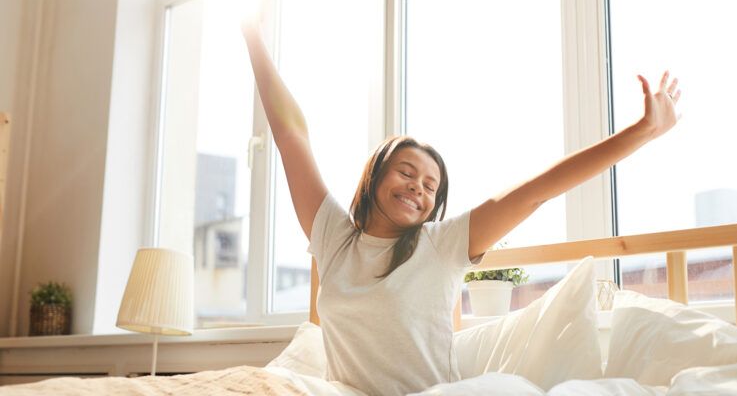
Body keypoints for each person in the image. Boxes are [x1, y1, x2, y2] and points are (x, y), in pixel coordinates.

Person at [241, 20, 681, 395]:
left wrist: (640, 133)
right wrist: (252, 34)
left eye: (431, 186)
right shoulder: (333, 238)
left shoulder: (441, 244)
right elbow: (290, 133)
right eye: (406, 172)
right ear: (375, 175)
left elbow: (536, 191)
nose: (418, 188)